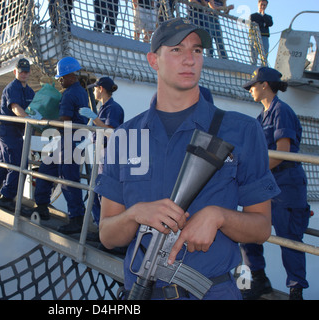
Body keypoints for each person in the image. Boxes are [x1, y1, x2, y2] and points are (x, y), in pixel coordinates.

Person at [94, 17, 280, 300]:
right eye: (177, 50)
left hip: (213, 291)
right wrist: (136, 214)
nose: (190, 59)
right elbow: (108, 235)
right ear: (154, 60)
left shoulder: (241, 130)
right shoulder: (125, 136)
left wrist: (218, 217)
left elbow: (261, 227)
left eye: (196, 50)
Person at [241, 67, 310, 300]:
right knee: (247, 230)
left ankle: (296, 290)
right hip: (267, 182)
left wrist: (254, 173)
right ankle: (258, 279)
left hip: (286, 185)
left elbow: (282, 153)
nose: (250, 89)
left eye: (253, 84)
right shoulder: (261, 117)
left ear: (265, 85)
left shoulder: (282, 111)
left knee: (289, 237)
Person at [26, 57, 89, 234]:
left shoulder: (69, 95)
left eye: (61, 77)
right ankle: (42, 206)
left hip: (70, 141)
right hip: (70, 140)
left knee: (68, 179)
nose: (60, 80)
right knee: (46, 169)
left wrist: (43, 121)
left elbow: (64, 121)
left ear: (70, 76)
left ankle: (76, 218)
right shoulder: (81, 92)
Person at [0, 58, 35, 211]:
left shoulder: (30, 91)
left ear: (29, 72)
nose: (24, 74)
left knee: (4, 165)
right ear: (15, 71)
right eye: (21, 71)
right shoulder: (12, 88)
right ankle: (7, 197)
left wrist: (38, 118)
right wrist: (30, 119)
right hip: (8, 131)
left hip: (18, 131)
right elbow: (16, 108)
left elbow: (34, 109)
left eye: (26, 71)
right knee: (17, 164)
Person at [79, 77, 125, 226]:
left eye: (94, 88)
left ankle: (104, 229)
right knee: (94, 192)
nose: (93, 91)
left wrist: (94, 119)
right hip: (101, 153)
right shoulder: (103, 107)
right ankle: (100, 227)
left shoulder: (114, 108)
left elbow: (111, 132)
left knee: (101, 193)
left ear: (101, 89)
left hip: (109, 155)